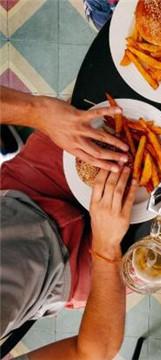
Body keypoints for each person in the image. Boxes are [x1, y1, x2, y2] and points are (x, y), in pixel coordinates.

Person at [0, 86, 130, 339]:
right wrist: (106, 248)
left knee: (111, 99)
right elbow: (92, 352)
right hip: (71, 274)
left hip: (21, 193)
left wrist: (36, 112)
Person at [11, 169, 137, 360]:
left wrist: (55, 135)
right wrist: (105, 247)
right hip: (65, 273)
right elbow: (92, 353)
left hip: (17, 192)